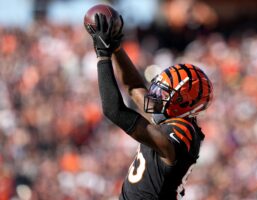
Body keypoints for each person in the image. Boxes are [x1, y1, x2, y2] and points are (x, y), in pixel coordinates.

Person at [86, 13, 213, 200]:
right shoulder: (171, 116)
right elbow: (133, 87)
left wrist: (102, 56)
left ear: (184, 102)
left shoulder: (182, 133)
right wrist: (116, 48)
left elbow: (114, 111)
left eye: (166, 93)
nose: (157, 97)